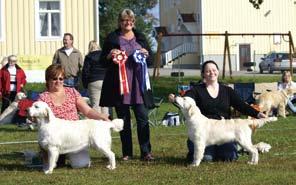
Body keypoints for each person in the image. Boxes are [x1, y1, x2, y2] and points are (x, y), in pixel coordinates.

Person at [170, 60, 266, 163]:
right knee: (207, 158)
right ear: (203, 74)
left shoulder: (227, 90)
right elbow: (187, 100)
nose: (211, 73)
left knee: (228, 157)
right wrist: (175, 99)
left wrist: (257, 113)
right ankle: (199, 153)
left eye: (214, 70)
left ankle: (240, 147)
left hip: (224, 130)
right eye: (208, 71)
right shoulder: (196, 90)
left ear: (218, 72)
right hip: (204, 132)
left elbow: (241, 106)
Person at [99, 8, 154, 161]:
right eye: (124, 20)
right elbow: (102, 61)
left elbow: (150, 60)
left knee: (142, 118)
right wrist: (110, 55)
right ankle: (127, 153)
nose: (127, 23)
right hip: (120, 85)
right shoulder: (112, 38)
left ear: (133, 22)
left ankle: (146, 152)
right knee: (124, 120)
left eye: (130, 20)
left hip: (139, 84)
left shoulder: (141, 37)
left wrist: (147, 54)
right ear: (120, 22)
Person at [38, 64, 110, 167]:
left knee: (81, 164)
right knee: (53, 165)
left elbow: (87, 111)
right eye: (54, 79)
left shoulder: (72, 92)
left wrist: (101, 116)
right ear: (48, 80)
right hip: (53, 137)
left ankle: (71, 156)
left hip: (74, 136)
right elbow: (37, 116)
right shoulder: (43, 98)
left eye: (61, 78)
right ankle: (48, 156)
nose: (58, 81)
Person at [82, 40, 108, 114]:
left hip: (94, 82)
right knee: (105, 106)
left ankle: (97, 123)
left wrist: (85, 84)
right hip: (105, 81)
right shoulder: (105, 55)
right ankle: (106, 124)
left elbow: (85, 72)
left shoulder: (89, 57)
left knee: (96, 105)